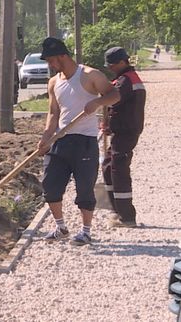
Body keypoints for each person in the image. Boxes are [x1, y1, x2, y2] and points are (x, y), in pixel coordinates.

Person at [37, 37, 120, 246]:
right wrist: (46, 137)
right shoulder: (54, 82)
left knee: (84, 188)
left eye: (51, 60)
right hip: (60, 140)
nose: (49, 64)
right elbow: (53, 112)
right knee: (50, 186)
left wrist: (98, 102)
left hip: (84, 141)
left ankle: (85, 231)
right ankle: (61, 227)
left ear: (62, 55)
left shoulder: (89, 75)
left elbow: (114, 94)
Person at [101, 47, 146, 228]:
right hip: (120, 131)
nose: (110, 67)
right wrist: (107, 124)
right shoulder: (124, 79)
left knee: (118, 169)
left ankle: (127, 216)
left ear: (122, 62)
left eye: (112, 64)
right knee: (107, 166)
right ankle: (114, 210)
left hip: (127, 131)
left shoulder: (127, 81)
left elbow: (113, 100)